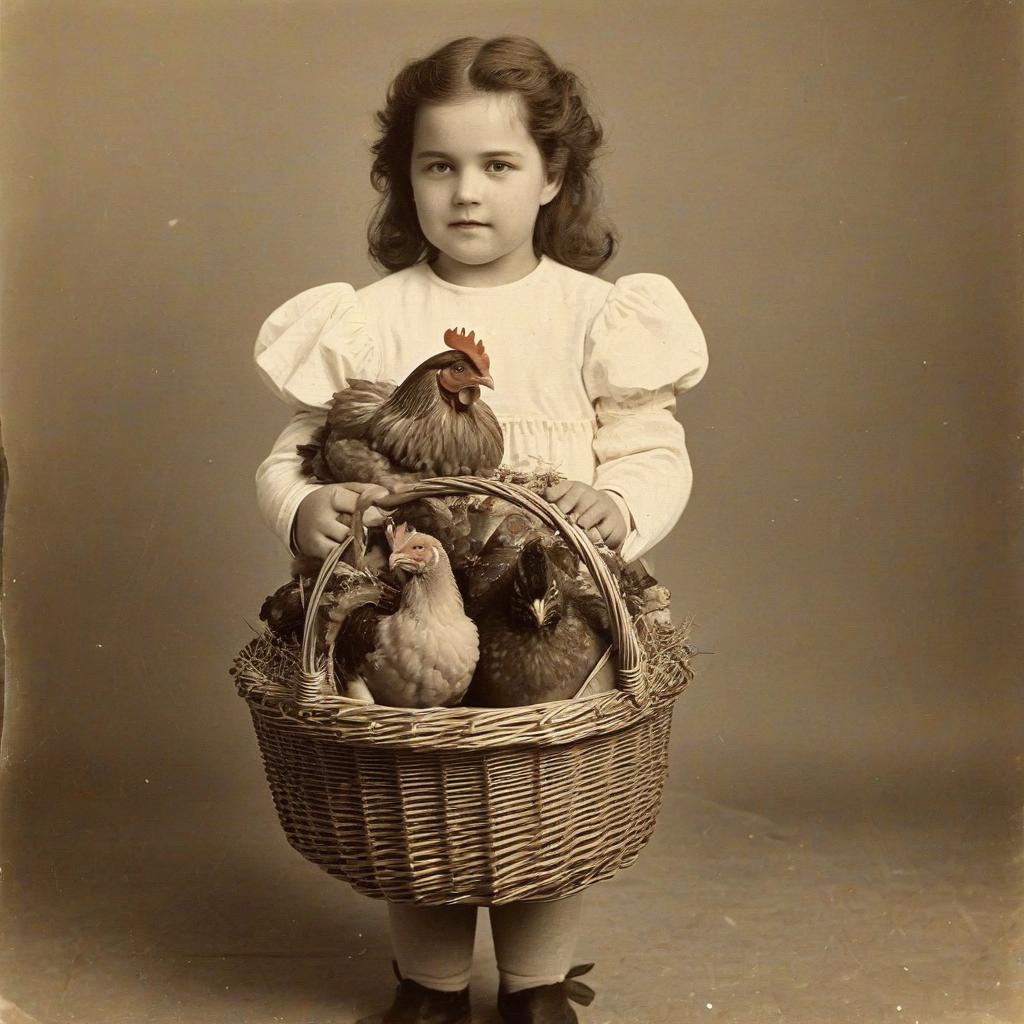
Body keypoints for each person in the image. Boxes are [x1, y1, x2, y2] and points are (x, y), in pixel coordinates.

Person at [253, 35, 708, 1024]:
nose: (466, 192)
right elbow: (289, 454)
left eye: (498, 165)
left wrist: (620, 505)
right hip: (418, 604)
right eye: (438, 165)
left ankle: (539, 984)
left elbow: (651, 448)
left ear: (553, 179)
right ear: (403, 178)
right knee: (422, 788)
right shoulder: (369, 320)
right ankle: (433, 985)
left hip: (551, 611)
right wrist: (303, 508)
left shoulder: (596, 316)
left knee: (544, 788)